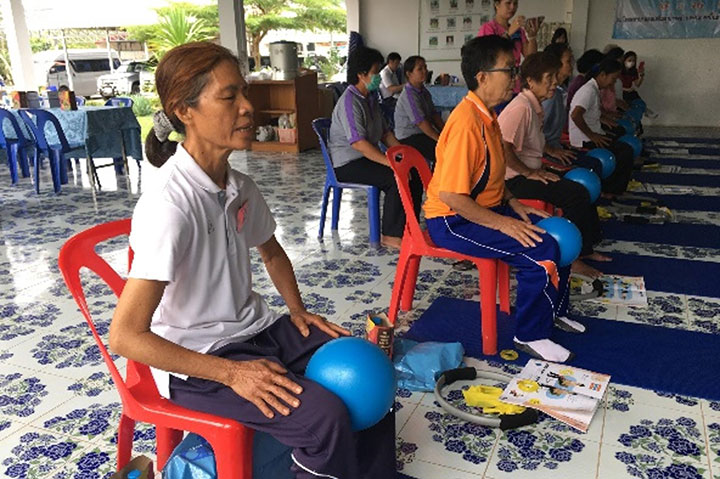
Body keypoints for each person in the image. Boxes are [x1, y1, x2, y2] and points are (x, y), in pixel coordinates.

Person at [109, 42, 395, 479]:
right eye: (229, 97)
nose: (247, 108)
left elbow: (273, 251)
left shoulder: (238, 185)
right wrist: (232, 374)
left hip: (254, 331)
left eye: (244, 93)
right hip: (200, 359)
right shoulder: (170, 204)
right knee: (323, 421)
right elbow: (126, 337)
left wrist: (297, 312)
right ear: (184, 111)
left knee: (371, 371)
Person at [424, 35, 581, 363]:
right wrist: (505, 223)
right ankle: (530, 333)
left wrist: (513, 203)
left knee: (559, 232)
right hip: (452, 220)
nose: (515, 77)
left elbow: (493, 173)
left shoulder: (489, 115)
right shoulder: (466, 123)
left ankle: (553, 310)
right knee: (540, 249)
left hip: (485, 208)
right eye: (509, 70)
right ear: (482, 77)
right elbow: (451, 195)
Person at [498, 51, 608, 279]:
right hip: (512, 181)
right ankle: (573, 259)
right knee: (575, 193)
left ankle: (585, 248)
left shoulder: (533, 106)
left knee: (579, 187)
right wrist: (530, 172)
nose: (554, 83)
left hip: (526, 173)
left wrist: (550, 153)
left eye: (554, 77)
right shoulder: (520, 108)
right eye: (548, 79)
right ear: (531, 81)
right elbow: (502, 149)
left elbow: (532, 143)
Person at [329, 46, 422, 249]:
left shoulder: (370, 99)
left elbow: (385, 134)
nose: (379, 77)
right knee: (394, 177)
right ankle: (390, 234)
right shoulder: (350, 101)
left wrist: (405, 155)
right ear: (361, 75)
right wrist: (390, 162)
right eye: (375, 73)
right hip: (348, 163)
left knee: (411, 171)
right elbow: (359, 143)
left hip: (365, 157)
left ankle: (409, 225)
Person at [569, 58, 635, 196]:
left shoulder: (594, 88)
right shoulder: (588, 90)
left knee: (621, 144)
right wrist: (592, 135)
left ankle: (610, 188)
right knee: (624, 151)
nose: (614, 82)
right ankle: (610, 190)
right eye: (613, 78)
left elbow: (592, 113)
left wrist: (605, 119)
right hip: (584, 139)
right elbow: (575, 115)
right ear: (603, 75)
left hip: (592, 133)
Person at [540, 43, 604, 175]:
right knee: (592, 166)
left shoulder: (560, 90)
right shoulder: (549, 95)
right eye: (568, 61)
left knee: (595, 163)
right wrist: (550, 150)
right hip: (544, 151)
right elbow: (533, 132)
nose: (572, 64)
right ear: (555, 64)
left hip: (555, 146)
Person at [478, 0, 541, 94]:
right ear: (497, 5)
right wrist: (509, 33)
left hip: (515, 85)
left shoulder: (518, 30)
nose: (512, 7)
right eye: (508, 3)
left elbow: (530, 56)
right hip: (496, 86)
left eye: (515, 3)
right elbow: (489, 54)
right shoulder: (488, 28)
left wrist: (532, 36)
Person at [394, 55, 445, 167]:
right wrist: (440, 139)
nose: (425, 71)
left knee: (448, 146)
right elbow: (421, 123)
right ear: (409, 74)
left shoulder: (424, 92)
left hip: (421, 134)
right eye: (420, 69)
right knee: (442, 151)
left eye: (425, 67)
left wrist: (446, 132)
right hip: (408, 137)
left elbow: (434, 115)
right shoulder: (409, 95)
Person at [621, 51, 658, 119]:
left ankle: (644, 109)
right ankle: (645, 110)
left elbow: (637, 84)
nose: (631, 62)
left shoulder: (634, 71)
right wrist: (625, 89)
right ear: (624, 60)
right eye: (629, 60)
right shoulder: (619, 70)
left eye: (633, 61)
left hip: (630, 92)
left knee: (636, 97)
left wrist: (641, 75)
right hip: (620, 92)